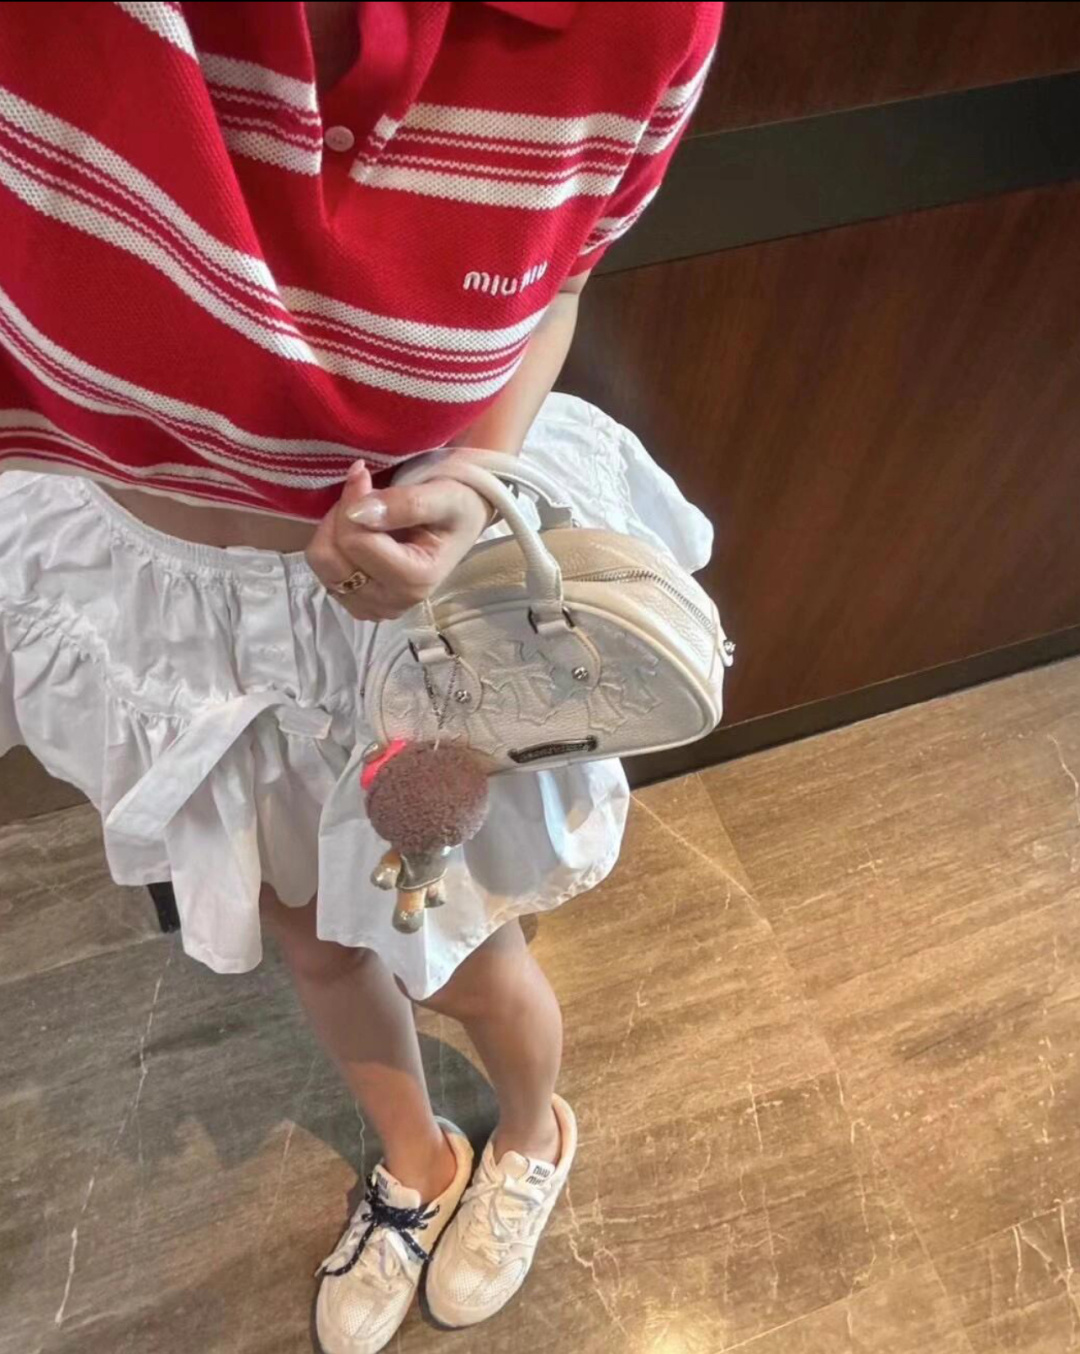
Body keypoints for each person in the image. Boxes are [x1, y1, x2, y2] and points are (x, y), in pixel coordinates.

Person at [0, 3, 723, 1350]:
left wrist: (475, 472)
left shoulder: (628, 27)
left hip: (404, 635)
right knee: (314, 939)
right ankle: (420, 1160)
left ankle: (530, 1131)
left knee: (457, 935)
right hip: (166, 612)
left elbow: (562, 275)